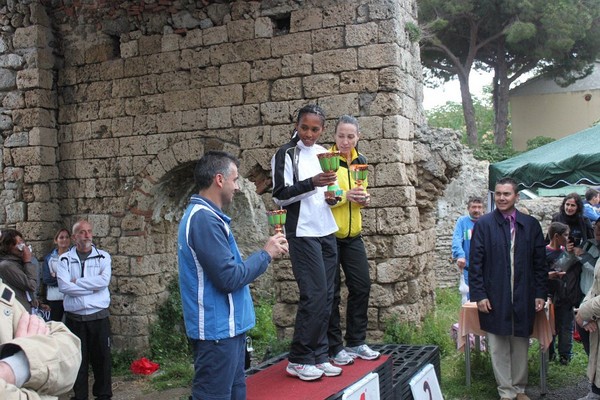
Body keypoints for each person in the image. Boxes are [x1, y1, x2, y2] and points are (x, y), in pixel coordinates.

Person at [178, 151, 289, 400]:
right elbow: (228, 278)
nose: (237, 187)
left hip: (227, 332)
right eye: (235, 179)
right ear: (219, 179)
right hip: (217, 334)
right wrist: (266, 254)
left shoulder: (209, 217)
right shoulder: (203, 220)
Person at [271, 104, 342, 381]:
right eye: (305, 128)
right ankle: (300, 358)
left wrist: (332, 196)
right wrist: (312, 182)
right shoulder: (286, 153)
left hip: (326, 228)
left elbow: (328, 190)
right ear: (297, 126)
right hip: (302, 232)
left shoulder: (325, 153)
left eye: (315, 129)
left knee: (327, 295)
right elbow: (280, 195)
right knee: (313, 294)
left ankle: (320, 355)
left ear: (322, 129)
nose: (309, 134)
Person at [469, 177, 547, 400]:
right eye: (499, 194)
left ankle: (520, 389)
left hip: (524, 293)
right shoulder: (484, 224)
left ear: (516, 196)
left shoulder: (530, 225)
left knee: (520, 341)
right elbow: (475, 263)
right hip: (495, 294)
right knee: (498, 344)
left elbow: (540, 263)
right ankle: (505, 391)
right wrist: (480, 294)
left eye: (507, 194)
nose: (502, 198)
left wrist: (541, 292)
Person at [326, 115, 380, 366]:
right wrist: (347, 195)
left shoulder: (361, 161)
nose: (345, 141)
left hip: (353, 235)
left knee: (361, 286)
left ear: (358, 137)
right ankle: (335, 347)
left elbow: (361, 191)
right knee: (332, 292)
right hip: (329, 235)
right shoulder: (326, 160)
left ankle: (357, 342)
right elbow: (325, 195)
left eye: (350, 136)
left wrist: (363, 199)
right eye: (341, 136)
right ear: (334, 136)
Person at [57, 220, 112, 400]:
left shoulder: (103, 257)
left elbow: (103, 282)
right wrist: (92, 287)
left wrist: (77, 283)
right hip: (76, 317)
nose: (87, 235)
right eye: (82, 232)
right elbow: (64, 287)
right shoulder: (64, 259)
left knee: (102, 359)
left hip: (98, 317)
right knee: (77, 360)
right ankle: (80, 396)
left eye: (89, 231)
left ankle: (103, 395)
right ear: (74, 237)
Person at [0, 278, 82, 399]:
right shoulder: (7, 266)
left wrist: (17, 366)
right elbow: (32, 283)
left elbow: (69, 347)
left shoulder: (4, 299)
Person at [545, 222, 579, 365]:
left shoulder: (568, 252)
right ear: (556, 236)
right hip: (549, 294)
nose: (567, 237)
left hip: (565, 295)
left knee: (566, 325)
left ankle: (565, 354)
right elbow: (537, 273)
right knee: (548, 324)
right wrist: (548, 275)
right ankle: (549, 353)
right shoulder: (543, 252)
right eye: (565, 235)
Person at [451, 196, 484, 303]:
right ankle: (470, 319)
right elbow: (457, 239)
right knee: (470, 299)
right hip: (469, 268)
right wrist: (460, 255)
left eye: (479, 207)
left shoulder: (487, 222)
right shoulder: (462, 222)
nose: (476, 210)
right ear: (468, 208)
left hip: (486, 267)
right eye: (474, 207)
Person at [0, 229, 38, 312]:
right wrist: (27, 261)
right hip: (19, 310)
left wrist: (36, 302)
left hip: (28, 308)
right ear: (9, 247)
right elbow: (31, 285)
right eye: (19, 243)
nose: (23, 245)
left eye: (22, 241)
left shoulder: (18, 262)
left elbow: (24, 291)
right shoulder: (6, 266)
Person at [42, 228, 71, 322]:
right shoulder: (49, 258)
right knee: (55, 324)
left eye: (67, 237)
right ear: (56, 240)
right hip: (54, 298)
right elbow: (47, 279)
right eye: (61, 237)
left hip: (71, 297)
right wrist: (68, 279)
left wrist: (57, 275)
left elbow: (78, 276)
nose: (64, 240)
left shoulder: (75, 257)